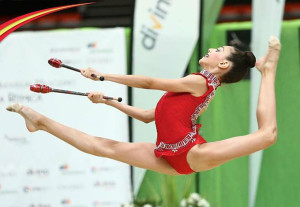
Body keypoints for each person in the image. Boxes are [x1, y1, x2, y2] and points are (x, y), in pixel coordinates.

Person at [6, 36, 281, 175]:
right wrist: (109, 102)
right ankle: (38, 121)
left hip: (192, 153)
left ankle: (268, 71)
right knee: (103, 147)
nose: (212, 50)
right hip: (169, 153)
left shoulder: (199, 81)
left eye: (218, 50)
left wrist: (103, 75)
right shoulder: (201, 88)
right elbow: (151, 116)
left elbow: (150, 82)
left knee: (267, 135)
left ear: (222, 64)